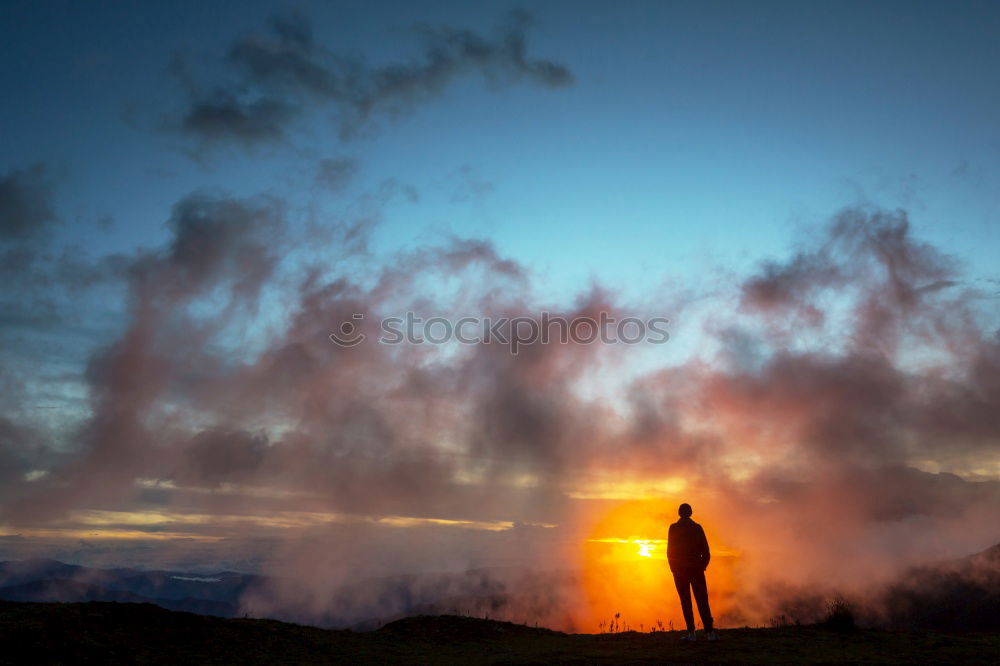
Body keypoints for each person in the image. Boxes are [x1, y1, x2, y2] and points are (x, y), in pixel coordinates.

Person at [667, 503, 717, 641]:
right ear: (691, 513)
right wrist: (702, 566)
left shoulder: (673, 528)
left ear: (679, 513)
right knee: (702, 601)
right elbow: (706, 552)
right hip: (696, 570)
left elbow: (669, 552)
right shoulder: (697, 528)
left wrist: (674, 570)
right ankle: (710, 633)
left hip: (680, 572)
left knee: (686, 602)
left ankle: (691, 633)